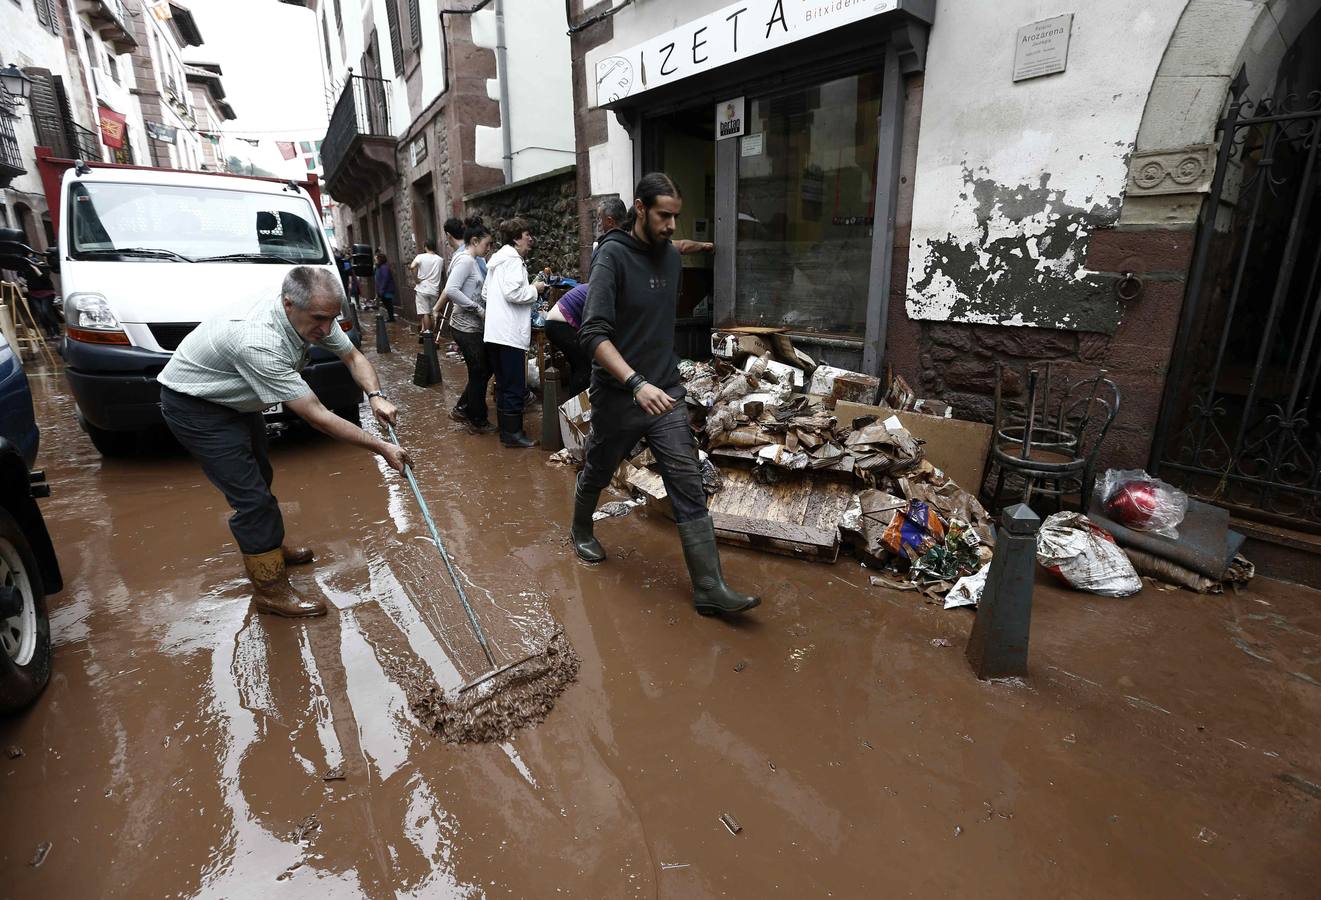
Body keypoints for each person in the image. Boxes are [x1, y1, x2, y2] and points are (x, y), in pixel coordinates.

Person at [159, 266, 411, 617]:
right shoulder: (257, 338)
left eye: (332, 318)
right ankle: (271, 592)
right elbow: (316, 415)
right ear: (289, 304)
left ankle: (269, 548)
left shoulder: (314, 312)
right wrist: (382, 447)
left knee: (261, 475)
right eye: (320, 319)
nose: (326, 330)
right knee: (251, 498)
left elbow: (352, 355)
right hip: (198, 406)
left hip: (238, 399)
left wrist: (376, 395)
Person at [574, 173, 759, 617]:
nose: (672, 225)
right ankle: (581, 529)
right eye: (663, 215)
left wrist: (710, 247)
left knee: (686, 480)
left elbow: (677, 260)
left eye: (676, 216)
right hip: (620, 395)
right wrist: (635, 383)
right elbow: (592, 334)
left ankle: (709, 588)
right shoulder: (611, 259)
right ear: (639, 209)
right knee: (600, 466)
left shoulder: (671, 257)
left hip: (666, 393)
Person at [483, 217, 547, 448]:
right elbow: (513, 293)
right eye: (527, 234)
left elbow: (486, 294)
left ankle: (506, 431)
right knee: (514, 384)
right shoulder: (512, 261)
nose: (530, 239)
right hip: (508, 334)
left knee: (503, 382)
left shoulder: (496, 261)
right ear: (516, 237)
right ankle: (513, 435)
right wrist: (535, 289)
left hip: (494, 333)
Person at [438, 221, 495, 433]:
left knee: (483, 369)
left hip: (472, 326)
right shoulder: (466, 261)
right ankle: (477, 420)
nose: (488, 249)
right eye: (487, 244)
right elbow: (451, 290)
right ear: (474, 241)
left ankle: (464, 409)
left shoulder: (471, 260)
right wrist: (478, 309)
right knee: (479, 370)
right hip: (464, 326)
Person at [594, 196, 714, 265]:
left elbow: (681, 246)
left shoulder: (605, 248)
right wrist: (703, 245)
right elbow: (681, 246)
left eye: (600, 218)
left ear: (610, 221)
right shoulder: (636, 239)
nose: (598, 223)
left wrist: (703, 246)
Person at [544, 282, 591, 398]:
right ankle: (578, 411)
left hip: (556, 323)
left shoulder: (598, 286)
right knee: (584, 367)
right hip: (559, 324)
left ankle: (575, 407)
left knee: (578, 366)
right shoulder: (601, 290)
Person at [409, 239, 444, 333]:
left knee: (425, 313)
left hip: (422, 289)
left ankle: (428, 335)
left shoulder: (420, 257)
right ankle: (430, 332)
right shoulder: (440, 260)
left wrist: (416, 280)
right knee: (433, 312)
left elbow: (412, 267)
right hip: (434, 290)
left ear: (425, 247)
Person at [374, 252, 397, 321]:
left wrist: (381, 290)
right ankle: (390, 317)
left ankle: (391, 318)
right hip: (383, 290)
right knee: (387, 304)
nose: (375, 260)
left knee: (388, 304)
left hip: (386, 290)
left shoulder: (384, 268)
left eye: (376, 259)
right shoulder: (379, 267)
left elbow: (385, 279)